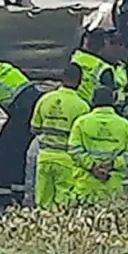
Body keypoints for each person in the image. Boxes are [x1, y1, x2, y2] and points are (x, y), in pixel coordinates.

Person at [0, 60, 38, 208]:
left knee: (1, 150)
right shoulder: (0, 66)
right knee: (17, 151)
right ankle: (17, 193)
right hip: (36, 101)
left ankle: (2, 195)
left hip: (21, 110)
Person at [30, 63, 90, 208]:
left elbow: (34, 129)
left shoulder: (45, 99)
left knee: (43, 203)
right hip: (66, 160)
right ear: (80, 81)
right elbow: (83, 138)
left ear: (62, 78)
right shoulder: (82, 106)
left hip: (44, 157)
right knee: (64, 203)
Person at [68, 86, 128, 201]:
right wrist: (111, 165)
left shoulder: (81, 122)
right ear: (113, 101)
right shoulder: (125, 125)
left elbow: (74, 149)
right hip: (112, 187)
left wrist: (93, 166)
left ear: (93, 101)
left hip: (85, 186)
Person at [70, 30, 117, 104]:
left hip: (71, 102)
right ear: (104, 45)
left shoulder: (75, 57)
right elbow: (109, 96)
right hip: (90, 107)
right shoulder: (104, 68)